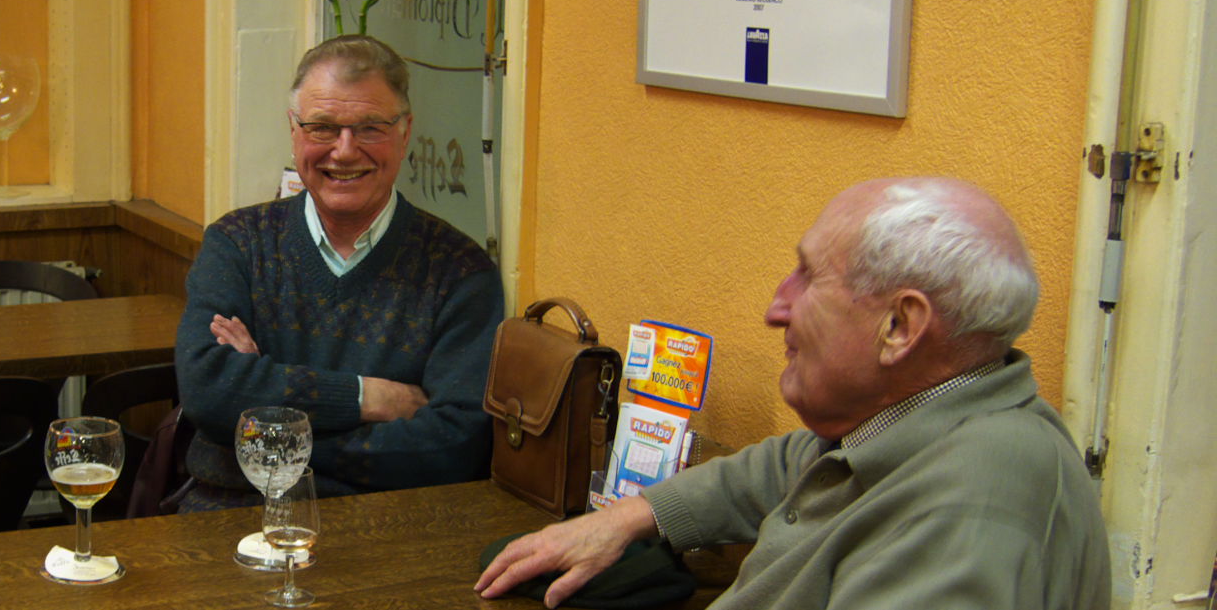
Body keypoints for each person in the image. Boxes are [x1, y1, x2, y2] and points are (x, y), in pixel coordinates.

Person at [476, 177, 1111, 608]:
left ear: (901, 327)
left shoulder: (976, 501)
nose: (777, 307)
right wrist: (626, 519)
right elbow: (785, 465)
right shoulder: (915, 419)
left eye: (809, 277)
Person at [173, 35, 505, 508]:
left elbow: (453, 447)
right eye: (323, 128)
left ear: (405, 132)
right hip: (228, 518)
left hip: (387, 532)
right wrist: (366, 398)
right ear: (294, 130)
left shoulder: (460, 272)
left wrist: (264, 438)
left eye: (370, 127)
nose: (345, 151)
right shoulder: (238, 244)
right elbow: (210, 392)